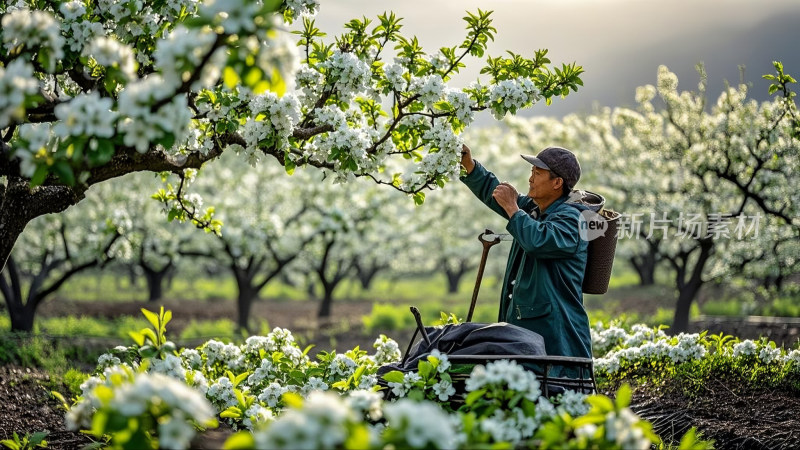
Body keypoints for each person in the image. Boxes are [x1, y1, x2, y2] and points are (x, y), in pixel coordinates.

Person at [459, 144, 592, 362]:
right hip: (527, 331)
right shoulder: (535, 209)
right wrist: (469, 165)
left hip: (555, 332)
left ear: (557, 183)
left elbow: (538, 241)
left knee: (555, 384)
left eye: (537, 174)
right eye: (531, 172)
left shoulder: (574, 219)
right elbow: (494, 192)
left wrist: (512, 208)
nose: (530, 178)